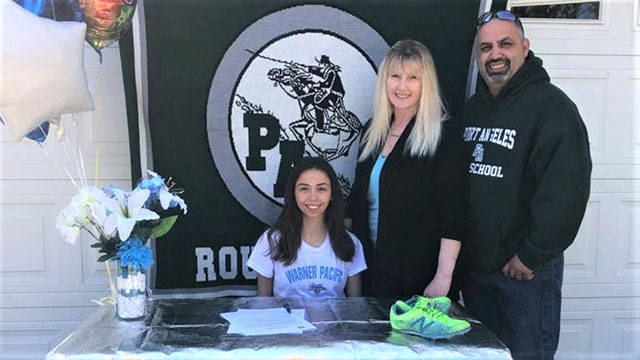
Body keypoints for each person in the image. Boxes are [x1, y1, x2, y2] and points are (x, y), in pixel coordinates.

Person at [460, 10, 592, 360]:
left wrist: (530, 255)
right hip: (478, 276)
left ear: (525, 47)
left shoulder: (552, 108)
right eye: (486, 48)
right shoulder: (473, 110)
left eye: (505, 44)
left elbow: (566, 192)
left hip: (525, 277)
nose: (495, 54)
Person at [346, 39, 467, 300]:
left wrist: (443, 278)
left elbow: (454, 214)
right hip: (371, 274)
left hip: (420, 281)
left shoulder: (443, 135)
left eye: (413, 77)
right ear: (384, 81)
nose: (402, 86)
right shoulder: (371, 132)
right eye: (395, 76)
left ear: (426, 84)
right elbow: (356, 204)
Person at [248, 156, 367, 297]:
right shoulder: (272, 241)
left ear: (332, 194)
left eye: (321, 189)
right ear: (293, 193)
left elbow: (355, 308)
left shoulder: (350, 243)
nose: (313, 197)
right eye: (304, 188)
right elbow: (264, 306)